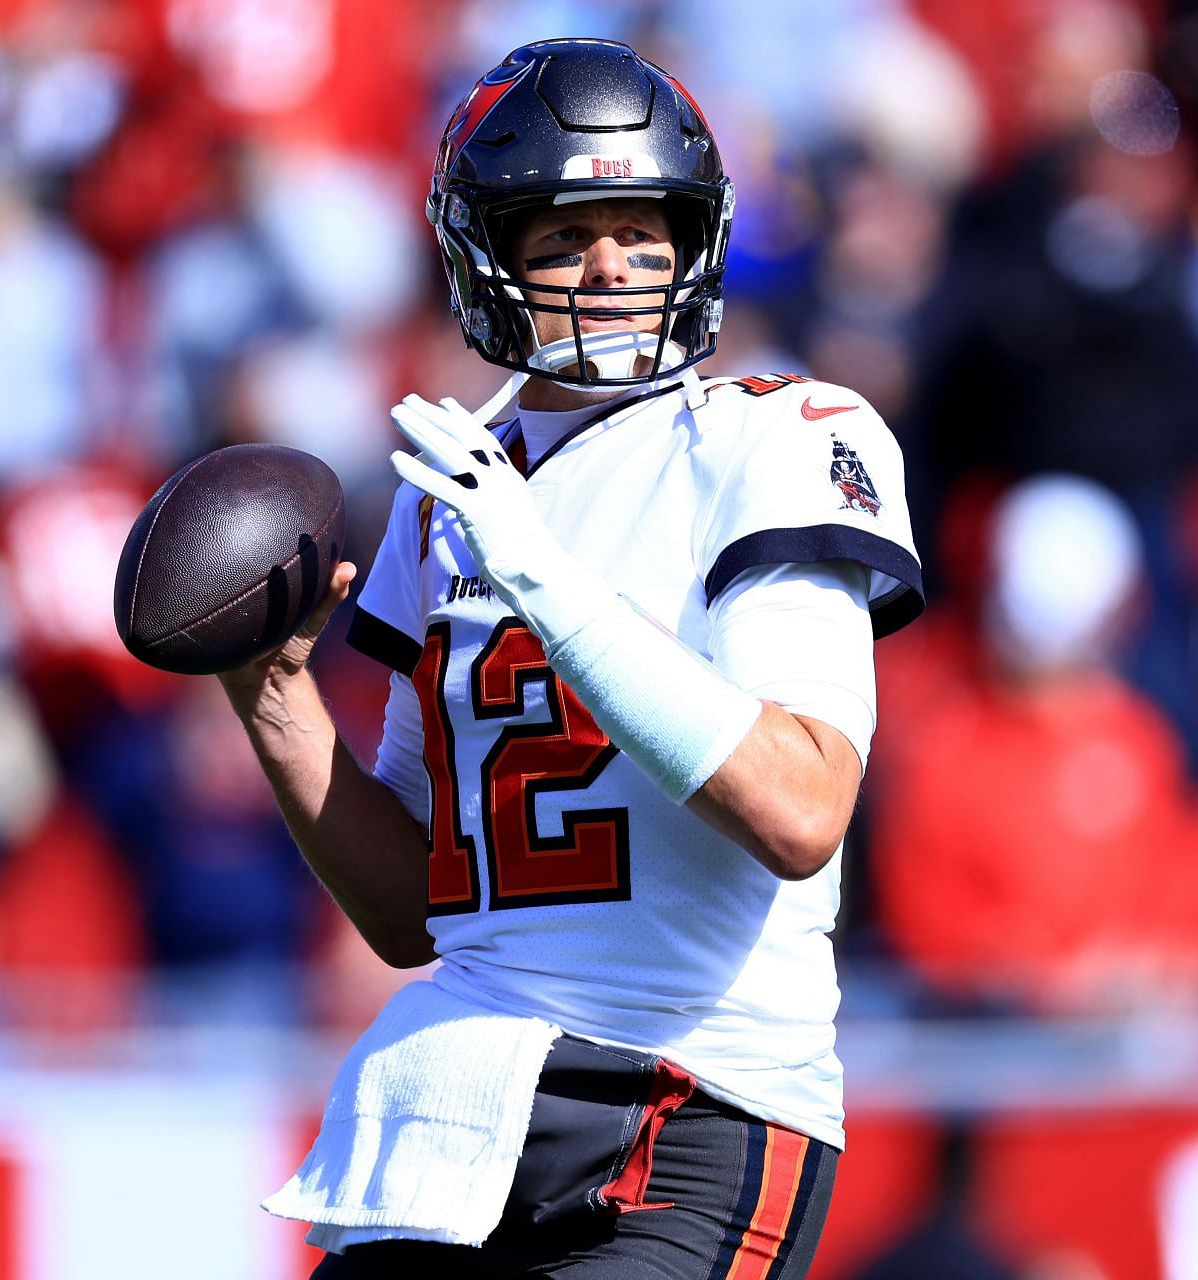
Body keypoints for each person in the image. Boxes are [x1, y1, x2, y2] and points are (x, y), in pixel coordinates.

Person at [216, 37, 922, 1279]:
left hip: (688, 1092)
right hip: (463, 1092)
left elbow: (803, 804)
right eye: (563, 233)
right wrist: (272, 698)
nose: (610, 266)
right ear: (489, 254)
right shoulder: (452, 489)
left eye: (642, 230)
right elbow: (407, 908)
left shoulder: (777, 438)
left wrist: (543, 574)